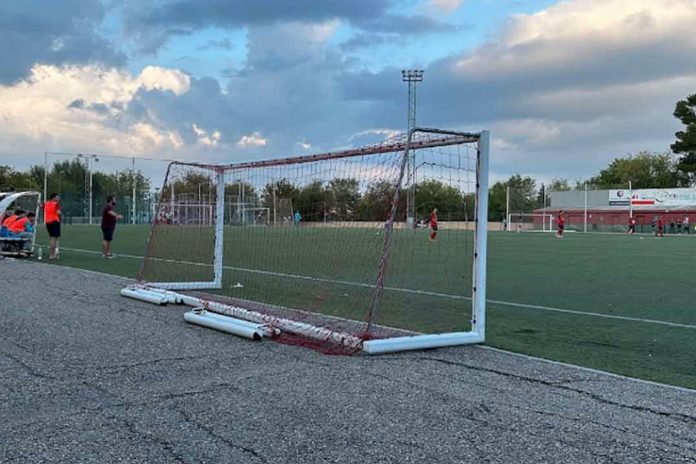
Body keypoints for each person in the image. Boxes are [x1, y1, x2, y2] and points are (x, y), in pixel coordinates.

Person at [44, 193, 62, 259]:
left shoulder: (46, 203)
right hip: (54, 221)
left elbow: (41, 206)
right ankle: (52, 254)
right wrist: (60, 217)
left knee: (52, 238)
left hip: (48, 222)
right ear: (54, 198)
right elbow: (58, 213)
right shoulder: (56, 204)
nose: (58, 198)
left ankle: (53, 253)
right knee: (54, 239)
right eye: (57, 197)